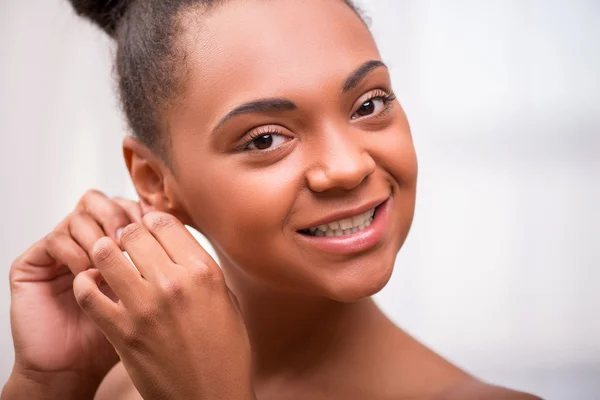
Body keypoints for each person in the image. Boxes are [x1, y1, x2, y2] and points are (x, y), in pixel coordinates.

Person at [2, 1, 543, 399]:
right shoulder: (113, 389)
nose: (349, 166)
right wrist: (50, 382)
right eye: (265, 138)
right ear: (154, 180)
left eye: (369, 103)